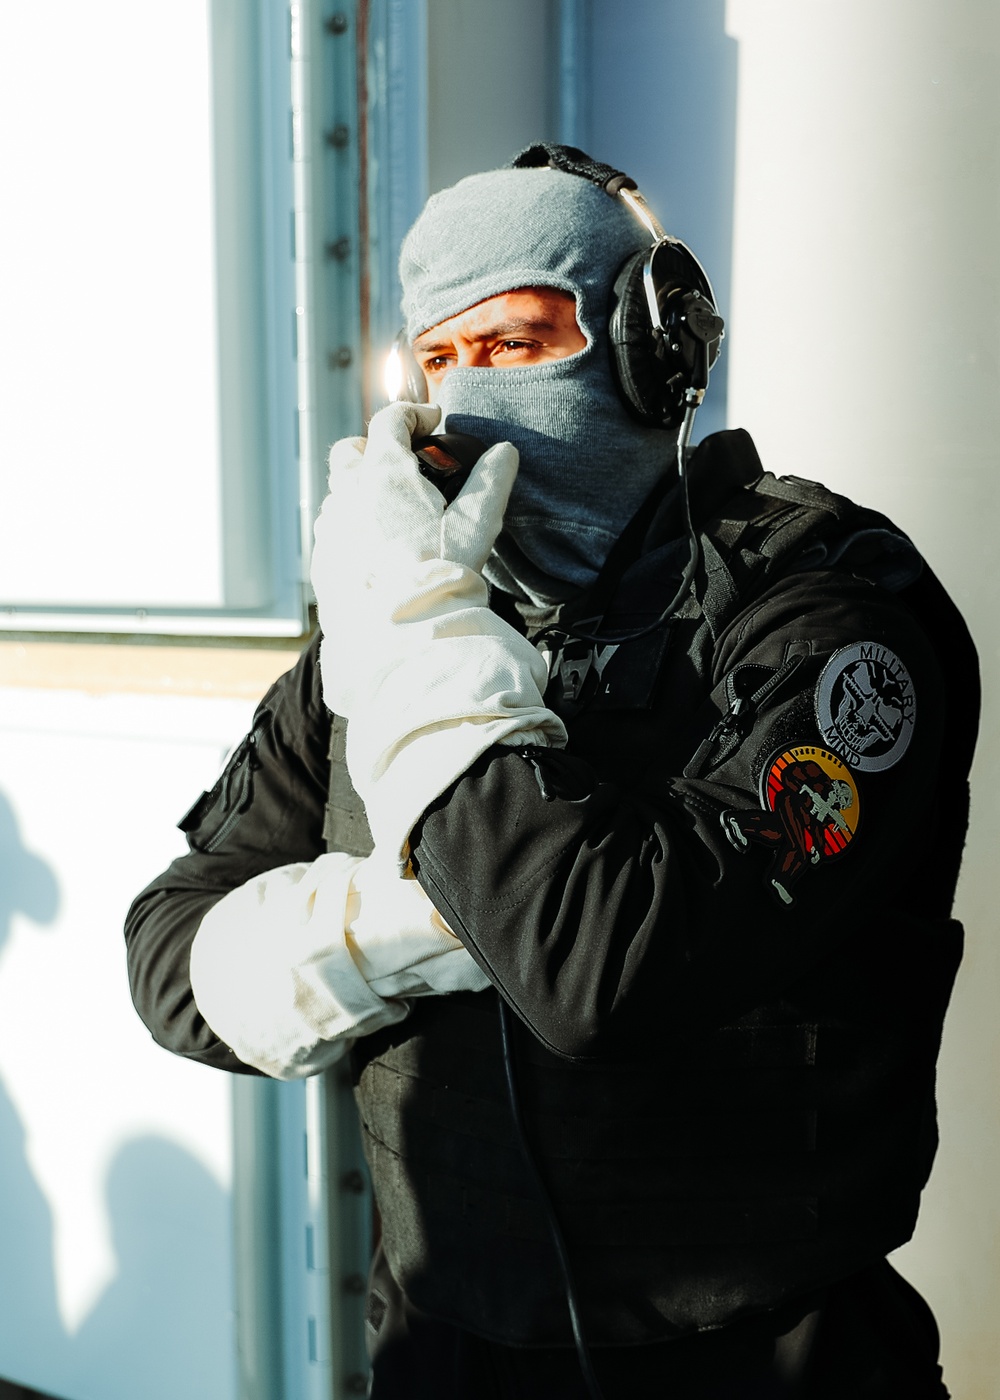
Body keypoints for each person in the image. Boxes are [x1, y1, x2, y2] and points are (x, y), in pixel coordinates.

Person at [125, 146, 978, 1399]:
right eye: (441, 359)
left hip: (770, 1361)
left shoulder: (828, 612)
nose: (470, 395)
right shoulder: (389, 628)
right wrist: (403, 919)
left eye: (520, 342)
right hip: (441, 1350)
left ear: (654, 347)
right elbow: (171, 957)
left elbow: (597, 972)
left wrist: (415, 639)